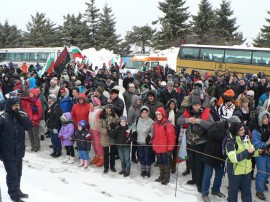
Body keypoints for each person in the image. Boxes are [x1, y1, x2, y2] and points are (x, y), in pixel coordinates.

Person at [0, 97, 32, 202]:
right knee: (12, 174)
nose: (17, 107)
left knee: (18, 173)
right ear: (10, 105)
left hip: (19, 151)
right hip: (7, 152)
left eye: (18, 105)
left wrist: (19, 116)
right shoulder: (3, 117)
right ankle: (14, 195)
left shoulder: (21, 115)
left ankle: (17, 190)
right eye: (15, 105)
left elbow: (29, 127)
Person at [226, 122, 260, 202]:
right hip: (235, 172)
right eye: (241, 130)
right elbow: (234, 159)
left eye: (243, 129)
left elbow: (251, 152)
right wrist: (247, 151)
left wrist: (258, 152)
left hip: (247, 171)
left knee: (247, 192)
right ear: (235, 131)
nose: (243, 131)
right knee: (233, 192)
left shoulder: (246, 139)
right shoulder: (230, 142)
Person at [152, 107, 176, 185]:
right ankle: (161, 176)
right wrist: (154, 146)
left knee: (166, 163)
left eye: (160, 114)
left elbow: (171, 138)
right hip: (158, 148)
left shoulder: (168, 124)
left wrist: (170, 149)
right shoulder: (156, 124)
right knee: (160, 163)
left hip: (165, 149)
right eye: (157, 114)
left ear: (163, 114)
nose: (158, 116)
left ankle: (166, 178)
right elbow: (155, 136)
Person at [251, 110, 270, 200]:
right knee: (262, 172)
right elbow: (256, 145)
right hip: (260, 154)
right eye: (264, 118)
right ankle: (259, 190)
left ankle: (262, 183)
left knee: (268, 171)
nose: (267, 120)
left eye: (267, 117)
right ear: (260, 120)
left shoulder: (268, 128)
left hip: (268, 153)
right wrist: (266, 143)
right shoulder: (256, 131)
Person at [131, 106, 154, 178]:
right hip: (139, 142)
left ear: (148, 113)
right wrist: (134, 131)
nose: (144, 114)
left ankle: (147, 171)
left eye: (145, 113)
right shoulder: (137, 120)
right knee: (141, 156)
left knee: (147, 157)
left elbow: (153, 131)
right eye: (143, 112)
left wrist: (150, 136)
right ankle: (143, 169)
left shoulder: (151, 121)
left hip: (147, 143)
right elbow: (134, 126)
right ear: (140, 113)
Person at [98, 104, 120, 172]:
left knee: (113, 152)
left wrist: (114, 127)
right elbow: (99, 127)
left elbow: (118, 123)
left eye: (109, 108)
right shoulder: (101, 116)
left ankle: (112, 166)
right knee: (106, 153)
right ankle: (106, 167)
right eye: (106, 108)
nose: (108, 109)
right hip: (105, 136)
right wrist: (106, 131)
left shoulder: (114, 115)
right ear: (105, 109)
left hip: (112, 136)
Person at [88, 97, 104, 167]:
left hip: (97, 131)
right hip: (92, 129)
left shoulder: (99, 111)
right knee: (94, 145)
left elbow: (100, 122)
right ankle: (96, 156)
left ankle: (102, 158)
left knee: (98, 145)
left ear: (94, 103)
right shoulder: (91, 110)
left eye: (90, 103)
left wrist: (97, 129)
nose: (89, 104)